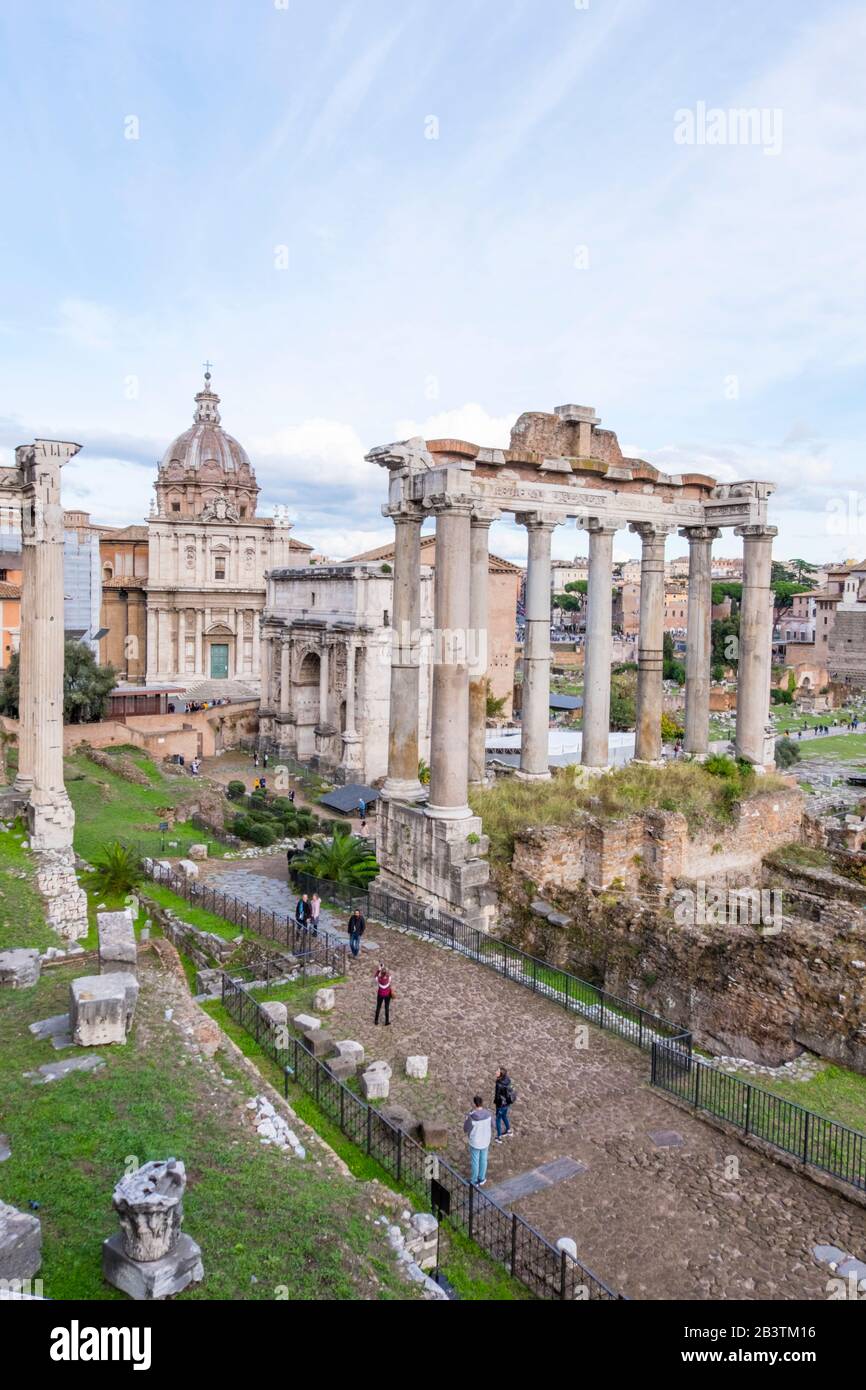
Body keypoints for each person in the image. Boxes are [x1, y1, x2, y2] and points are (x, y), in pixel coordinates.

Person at [464, 1094, 493, 1187]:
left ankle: (474, 1180)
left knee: (475, 1161)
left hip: (475, 1142)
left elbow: (465, 1129)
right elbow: (494, 1124)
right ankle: (482, 1178)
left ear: (475, 1104)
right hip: (486, 1140)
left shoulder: (472, 1116)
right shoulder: (489, 1114)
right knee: (484, 1159)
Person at [494, 1066, 516, 1143]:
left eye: (497, 1071)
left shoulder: (498, 1084)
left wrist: (496, 1104)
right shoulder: (508, 1080)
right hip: (507, 1103)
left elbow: (497, 1096)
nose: (496, 1072)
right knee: (504, 1116)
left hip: (501, 1105)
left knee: (498, 1120)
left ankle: (499, 1137)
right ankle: (508, 1131)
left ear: (501, 1074)